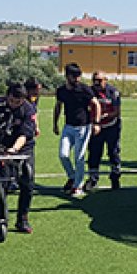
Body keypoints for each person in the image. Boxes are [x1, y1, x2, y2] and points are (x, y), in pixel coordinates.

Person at [0, 83, 38, 233]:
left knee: (27, 181)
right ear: (7, 96)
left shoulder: (28, 109)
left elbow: (24, 135)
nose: (14, 105)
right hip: (2, 148)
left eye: (18, 102)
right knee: (1, 183)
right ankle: (0, 219)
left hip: (23, 148)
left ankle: (22, 219)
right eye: (11, 100)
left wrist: (13, 150)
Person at [53, 63, 100, 196]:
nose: (78, 79)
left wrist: (96, 123)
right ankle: (72, 176)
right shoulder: (61, 91)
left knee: (79, 158)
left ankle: (77, 186)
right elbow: (58, 106)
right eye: (75, 76)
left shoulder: (84, 89)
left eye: (79, 76)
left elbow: (96, 104)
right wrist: (55, 123)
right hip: (68, 127)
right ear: (67, 76)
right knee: (63, 155)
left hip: (83, 127)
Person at [85, 71, 122, 191]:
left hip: (112, 126)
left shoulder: (113, 92)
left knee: (113, 152)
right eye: (94, 80)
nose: (97, 83)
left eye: (99, 81)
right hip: (96, 127)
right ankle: (93, 179)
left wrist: (105, 116)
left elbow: (117, 111)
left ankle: (115, 177)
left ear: (105, 80)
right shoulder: (89, 92)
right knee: (94, 153)